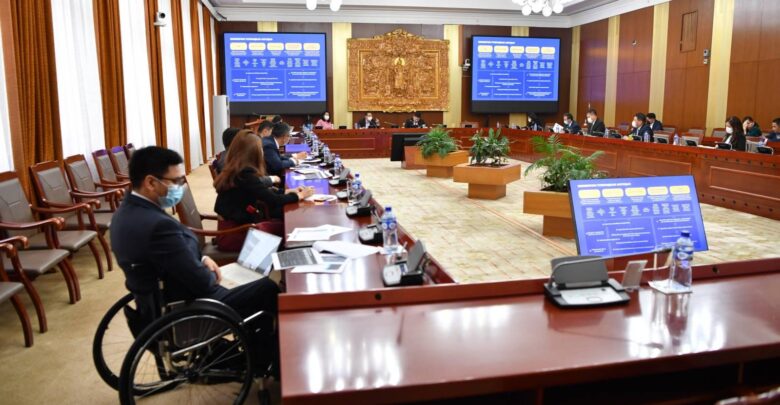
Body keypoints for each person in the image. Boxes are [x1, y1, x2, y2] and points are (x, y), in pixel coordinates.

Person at [109, 146, 280, 319]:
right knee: (268, 287)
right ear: (151, 183)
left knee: (258, 268)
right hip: (190, 305)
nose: (179, 186)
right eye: (175, 181)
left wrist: (203, 258)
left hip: (158, 298)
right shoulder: (158, 226)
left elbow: (172, 253)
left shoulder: (127, 212)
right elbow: (201, 282)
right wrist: (212, 273)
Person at [214, 132, 313, 250]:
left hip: (234, 228)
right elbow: (272, 200)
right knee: (289, 231)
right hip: (234, 234)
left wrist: (288, 191)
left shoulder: (236, 169)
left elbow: (263, 192)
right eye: (260, 148)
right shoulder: (245, 174)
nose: (262, 152)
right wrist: (299, 196)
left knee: (285, 225)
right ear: (253, 153)